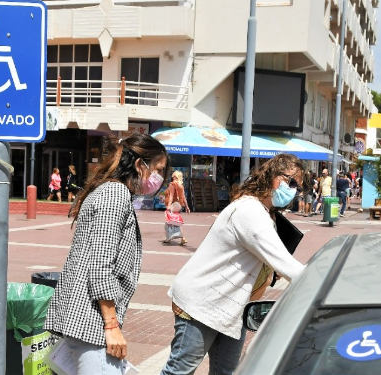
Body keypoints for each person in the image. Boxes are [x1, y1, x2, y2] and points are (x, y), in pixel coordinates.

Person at [160, 154, 307, 375]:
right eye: (291, 182)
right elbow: (287, 265)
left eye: (298, 187)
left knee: (225, 372)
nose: (294, 191)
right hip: (203, 302)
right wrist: (323, 282)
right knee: (180, 371)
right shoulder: (249, 211)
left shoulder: (266, 213)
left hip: (232, 307)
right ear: (272, 176)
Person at [44, 134, 169, 375]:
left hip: (85, 319)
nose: (159, 178)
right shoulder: (115, 194)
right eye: (159, 169)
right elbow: (101, 265)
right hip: (92, 323)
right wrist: (111, 326)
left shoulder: (109, 191)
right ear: (139, 165)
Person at [163, 170, 190, 245]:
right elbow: (184, 197)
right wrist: (187, 207)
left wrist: (168, 205)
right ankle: (182, 238)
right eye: (173, 177)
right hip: (179, 205)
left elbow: (171, 196)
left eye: (174, 176)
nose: (173, 178)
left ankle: (168, 238)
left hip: (174, 205)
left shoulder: (172, 184)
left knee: (168, 222)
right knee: (177, 221)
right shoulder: (181, 185)